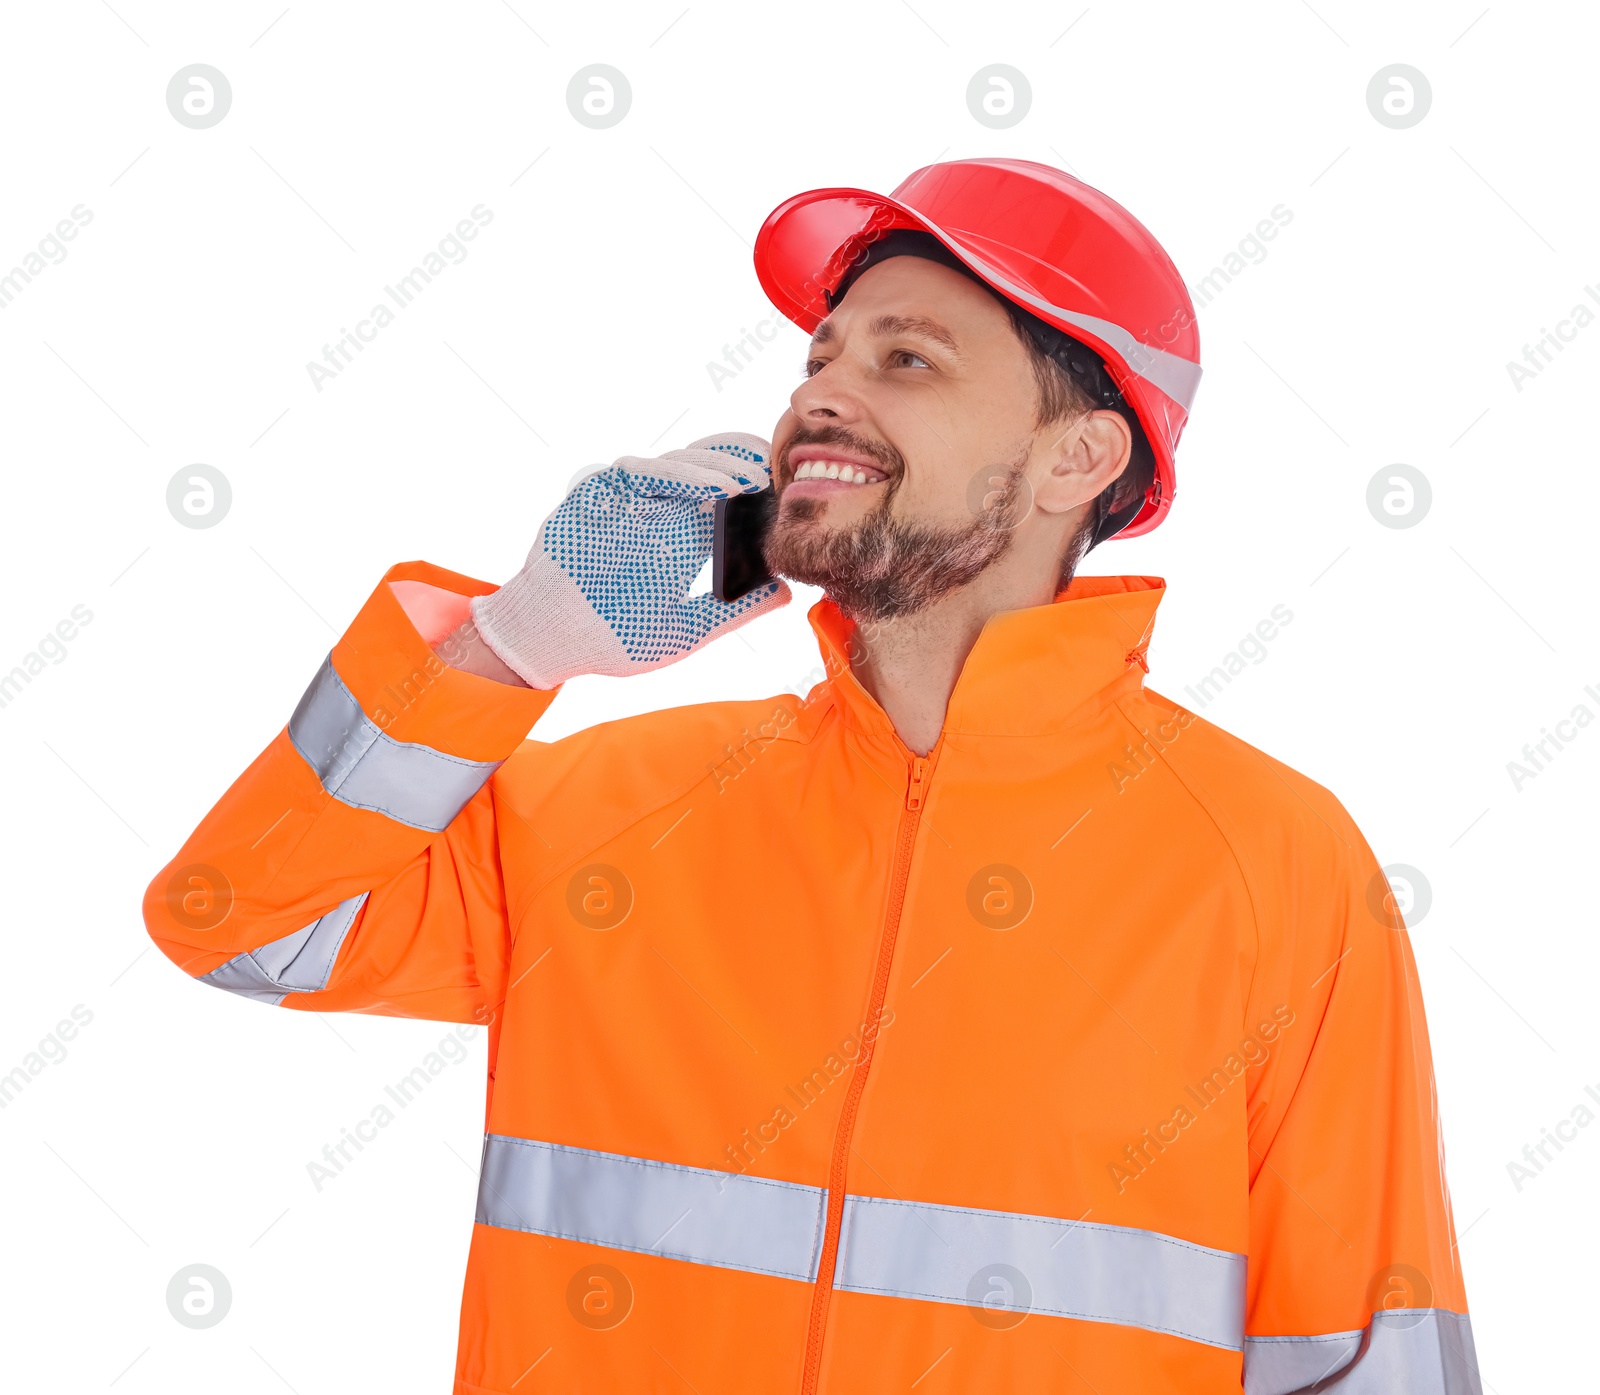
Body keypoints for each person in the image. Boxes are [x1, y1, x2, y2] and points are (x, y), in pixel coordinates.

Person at [144, 159, 1480, 1394]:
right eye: (821, 357)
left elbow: (1366, 1355)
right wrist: (504, 651)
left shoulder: (1273, 866)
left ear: (1079, 457)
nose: (819, 396)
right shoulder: (617, 811)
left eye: (910, 358)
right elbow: (238, 925)